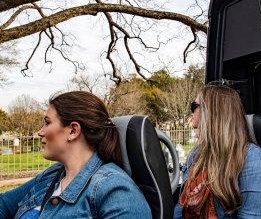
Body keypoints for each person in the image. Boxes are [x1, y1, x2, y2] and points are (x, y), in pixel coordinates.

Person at [0, 91, 152, 219]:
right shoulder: (53, 174)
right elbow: (5, 205)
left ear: (73, 131)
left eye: (47, 123)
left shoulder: (116, 191)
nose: (40, 132)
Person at [174, 85, 261, 218]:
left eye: (194, 106)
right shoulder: (196, 154)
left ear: (212, 112)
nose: (191, 111)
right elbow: (181, 207)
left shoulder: (251, 158)